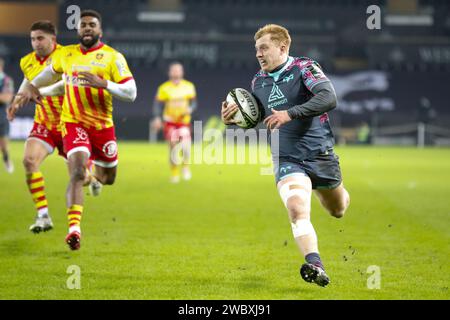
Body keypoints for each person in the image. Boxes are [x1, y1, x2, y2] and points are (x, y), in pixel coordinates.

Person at [221, 24, 350, 287]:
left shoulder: (304, 68)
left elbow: (329, 98)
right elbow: (259, 118)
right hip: (287, 158)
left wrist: (290, 113)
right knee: (296, 207)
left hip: (320, 155)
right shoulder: (258, 80)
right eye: (256, 49)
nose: (258, 54)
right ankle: (315, 264)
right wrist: (234, 120)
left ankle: (337, 193)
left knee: (337, 209)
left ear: (282, 47)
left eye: (264, 48)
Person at [9, 10, 137, 250]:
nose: (87, 28)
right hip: (72, 123)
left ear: (100, 30)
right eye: (83, 25)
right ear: (78, 30)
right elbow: (50, 79)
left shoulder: (112, 57)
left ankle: (94, 179)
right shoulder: (67, 55)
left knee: (108, 178)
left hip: (101, 127)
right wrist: (31, 90)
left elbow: (131, 93)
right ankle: (74, 230)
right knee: (76, 172)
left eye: (92, 24)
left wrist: (105, 84)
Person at [8, 21, 66, 233]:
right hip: (44, 122)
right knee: (29, 160)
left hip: (70, 123)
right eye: (33, 39)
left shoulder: (66, 56)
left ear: (53, 38)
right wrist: (15, 103)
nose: (36, 43)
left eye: (40, 38)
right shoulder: (27, 61)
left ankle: (94, 179)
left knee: (82, 177)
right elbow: (28, 82)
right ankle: (43, 216)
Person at [151, 62, 197, 183]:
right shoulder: (164, 88)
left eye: (178, 70)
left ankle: (186, 167)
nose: (176, 72)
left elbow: (194, 103)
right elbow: (157, 104)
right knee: (173, 147)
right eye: (174, 70)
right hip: (170, 122)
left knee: (186, 145)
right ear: (169, 72)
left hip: (183, 122)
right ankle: (174, 173)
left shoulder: (189, 86)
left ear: (182, 72)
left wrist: (190, 109)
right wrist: (157, 117)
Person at [0, 57, 14, 173]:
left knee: (3, 145)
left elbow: (6, 98)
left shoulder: (6, 80)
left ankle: (6, 159)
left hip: (1, 117)